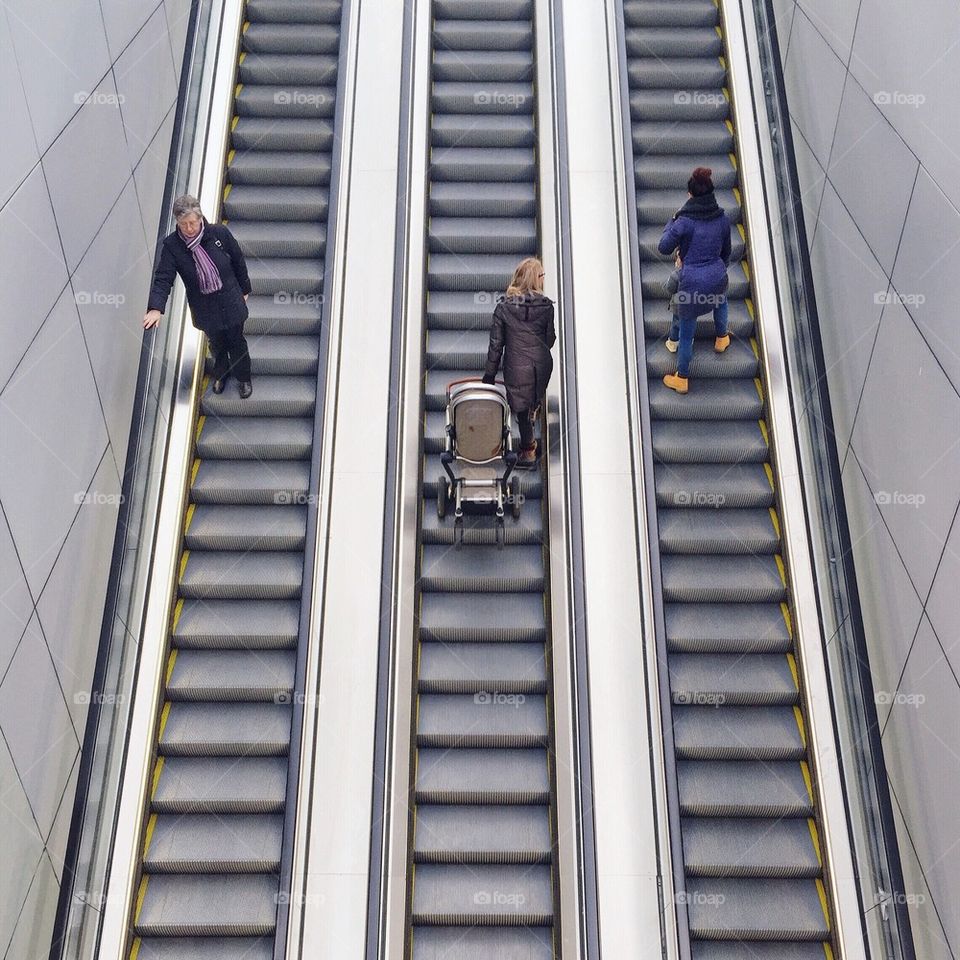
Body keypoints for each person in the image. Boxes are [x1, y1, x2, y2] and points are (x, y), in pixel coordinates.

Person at [143, 194, 254, 398]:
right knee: (216, 344)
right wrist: (156, 308)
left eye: (192, 222)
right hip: (204, 307)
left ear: (200, 218)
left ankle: (243, 377)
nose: (189, 228)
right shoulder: (173, 247)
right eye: (183, 224)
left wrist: (245, 289)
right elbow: (163, 278)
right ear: (177, 223)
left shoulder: (219, 234)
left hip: (230, 299)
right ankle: (221, 374)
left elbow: (238, 260)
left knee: (236, 341)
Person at [658, 167, 732, 394]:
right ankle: (722, 338)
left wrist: (672, 220)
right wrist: (716, 271)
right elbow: (726, 253)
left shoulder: (684, 222)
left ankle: (682, 377)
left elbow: (663, 247)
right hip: (717, 275)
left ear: (690, 194)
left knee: (687, 333)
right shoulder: (722, 219)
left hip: (691, 283)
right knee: (720, 300)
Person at [482, 257, 556, 467]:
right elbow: (550, 340)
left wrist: (489, 375)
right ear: (536, 279)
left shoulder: (503, 308)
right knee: (531, 398)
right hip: (541, 367)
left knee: (521, 409)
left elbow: (496, 345)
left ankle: (528, 450)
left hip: (516, 367)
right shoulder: (546, 307)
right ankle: (533, 409)